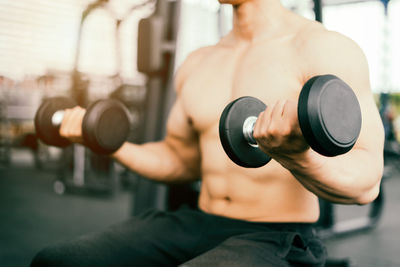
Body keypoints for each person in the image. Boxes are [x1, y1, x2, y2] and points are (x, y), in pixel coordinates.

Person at [31, 0, 384, 266]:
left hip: (278, 235)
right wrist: (107, 144)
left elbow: (366, 182)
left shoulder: (323, 48)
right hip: (198, 222)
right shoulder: (198, 62)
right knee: (59, 261)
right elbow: (178, 159)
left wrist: (297, 157)